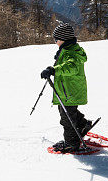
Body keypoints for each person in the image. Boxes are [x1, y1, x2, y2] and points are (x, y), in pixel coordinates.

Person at [40, 23, 94, 152]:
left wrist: (54, 70)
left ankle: (71, 143)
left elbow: (71, 67)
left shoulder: (71, 53)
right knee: (68, 112)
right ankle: (82, 125)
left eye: (56, 39)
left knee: (67, 118)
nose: (55, 42)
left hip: (69, 91)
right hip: (67, 90)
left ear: (63, 39)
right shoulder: (68, 50)